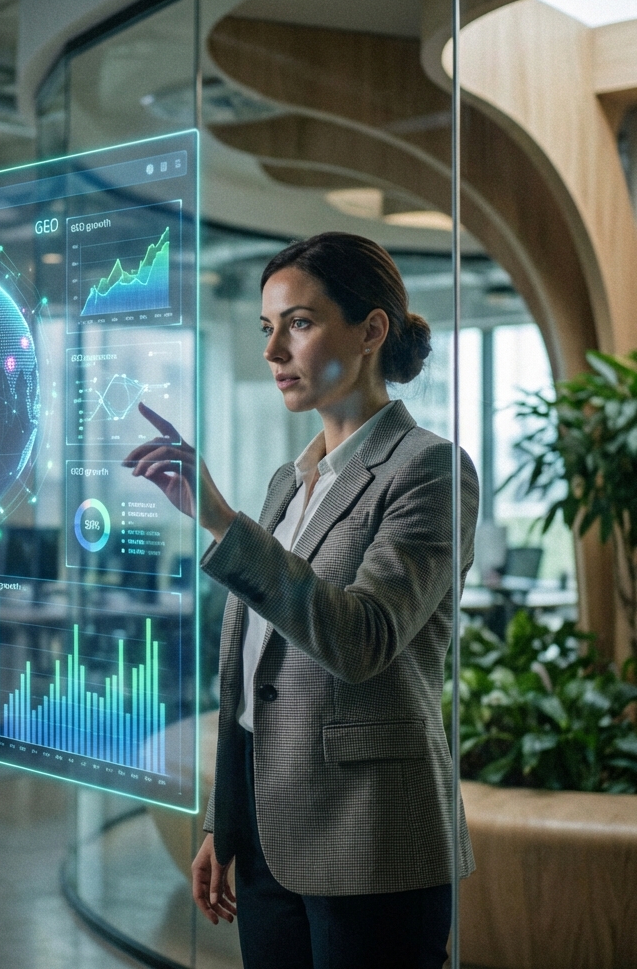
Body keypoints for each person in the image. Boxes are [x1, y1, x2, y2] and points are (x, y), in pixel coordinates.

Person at [123, 232, 477, 969]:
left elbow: (362, 639)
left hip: (373, 839)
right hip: (267, 835)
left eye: (300, 323)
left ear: (371, 330)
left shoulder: (431, 471)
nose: (273, 350)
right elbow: (251, 677)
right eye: (267, 327)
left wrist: (221, 522)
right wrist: (224, 822)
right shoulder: (289, 484)